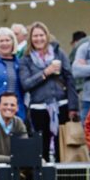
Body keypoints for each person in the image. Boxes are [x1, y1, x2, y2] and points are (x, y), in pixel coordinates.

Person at [19, 21, 79, 163]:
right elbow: (25, 84)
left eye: (41, 35)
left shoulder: (58, 53)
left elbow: (70, 79)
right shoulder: (25, 60)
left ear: (47, 36)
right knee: (41, 148)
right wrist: (45, 72)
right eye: (35, 36)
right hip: (38, 108)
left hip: (61, 105)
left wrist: (73, 107)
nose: (39, 39)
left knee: (63, 147)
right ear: (30, 39)